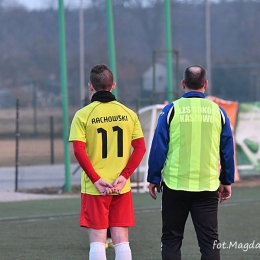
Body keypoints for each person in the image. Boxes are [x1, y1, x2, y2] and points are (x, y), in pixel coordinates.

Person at [147, 65, 234, 260]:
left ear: (183, 84)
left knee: (171, 239)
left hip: (175, 185)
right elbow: (227, 150)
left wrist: (153, 178)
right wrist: (226, 180)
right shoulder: (218, 112)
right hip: (207, 185)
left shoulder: (171, 110)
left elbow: (158, 147)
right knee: (210, 241)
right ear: (206, 84)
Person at [69, 64, 146, 260]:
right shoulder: (128, 113)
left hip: (96, 188)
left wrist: (95, 179)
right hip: (121, 186)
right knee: (121, 240)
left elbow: (78, 150)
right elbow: (140, 149)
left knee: (97, 240)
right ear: (113, 86)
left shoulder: (83, 115)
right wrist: (123, 177)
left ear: (90, 86)